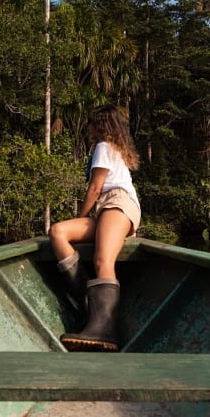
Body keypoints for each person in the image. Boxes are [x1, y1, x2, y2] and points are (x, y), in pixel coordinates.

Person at [48, 104, 141, 352]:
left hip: (118, 204)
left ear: (100, 125)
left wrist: (81, 215)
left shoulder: (103, 146)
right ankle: (91, 304)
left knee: (102, 260)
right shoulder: (113, 148)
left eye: (91, 123)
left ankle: (104, 329)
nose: (88, 127)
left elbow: (96, 188)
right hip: (106, 209)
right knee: (58, 232)